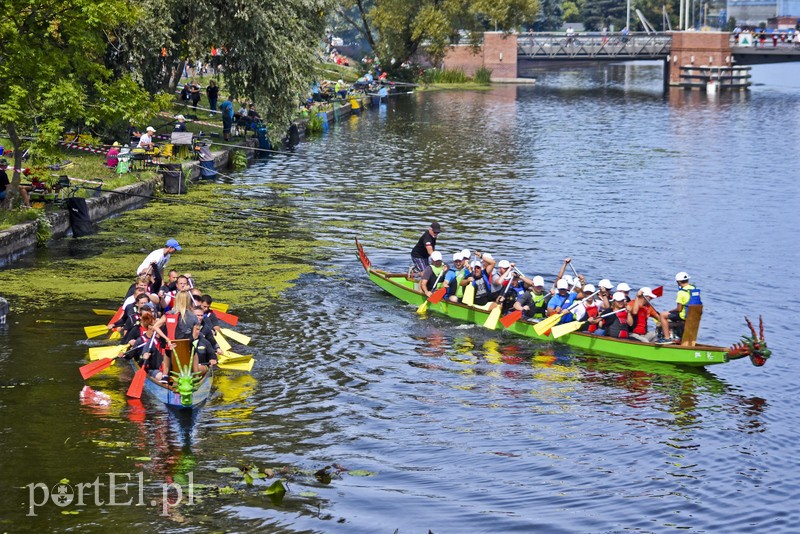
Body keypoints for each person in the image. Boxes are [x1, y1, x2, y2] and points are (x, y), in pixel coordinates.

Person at [659, 272, 701, 341]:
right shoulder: (693, 288)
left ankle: (666, 338)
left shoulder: (681, 292)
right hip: (694, 315)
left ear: (678, 282)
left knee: (663, 315)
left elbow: (679, 309)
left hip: (684, 315)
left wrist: (670, 311)